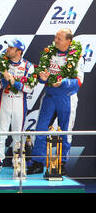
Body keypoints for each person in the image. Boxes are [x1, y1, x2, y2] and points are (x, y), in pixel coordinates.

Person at [27, 28, 84, 175]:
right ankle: (38, 162)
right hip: (50, 96)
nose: (55, 40)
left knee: (65, 131)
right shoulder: (49, 53)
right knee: (41, 128)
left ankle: (61, 164)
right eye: (55, 37)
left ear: (68, 41)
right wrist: (42, 78)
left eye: (59, 38)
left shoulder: (77, 57)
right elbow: (42, 76)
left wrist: (63, 82)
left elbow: (79, 81)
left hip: (67, 97)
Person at [0, 38, 37, 176]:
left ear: (18, 51)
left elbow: (30, 88)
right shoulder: (2, 64)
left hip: (20, 102)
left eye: (11, 48)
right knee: (0, 134)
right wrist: (5, 80)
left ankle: (17, 165)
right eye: (8, 47)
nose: (7, 49)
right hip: (5, 100)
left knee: (17, 136)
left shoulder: (28, 66)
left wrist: (13, 81)